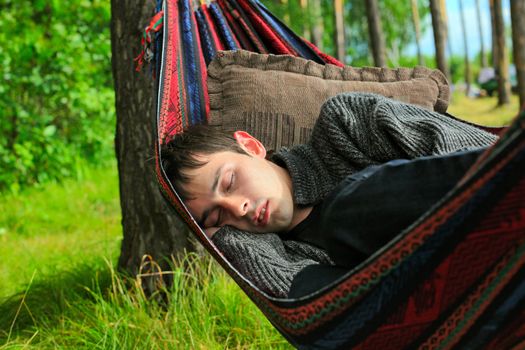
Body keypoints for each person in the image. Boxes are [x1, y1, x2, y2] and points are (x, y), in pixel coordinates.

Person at [162, 93, 498, 297]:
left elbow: (477, 151)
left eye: (230, 181)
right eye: (218, 217)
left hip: (496, 205)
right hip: (465, 299)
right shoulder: (291, 259)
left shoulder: (344, 125)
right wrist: (227, 240)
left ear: (251, 145)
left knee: (345, 213)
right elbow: (331, 316)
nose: (239, 208)